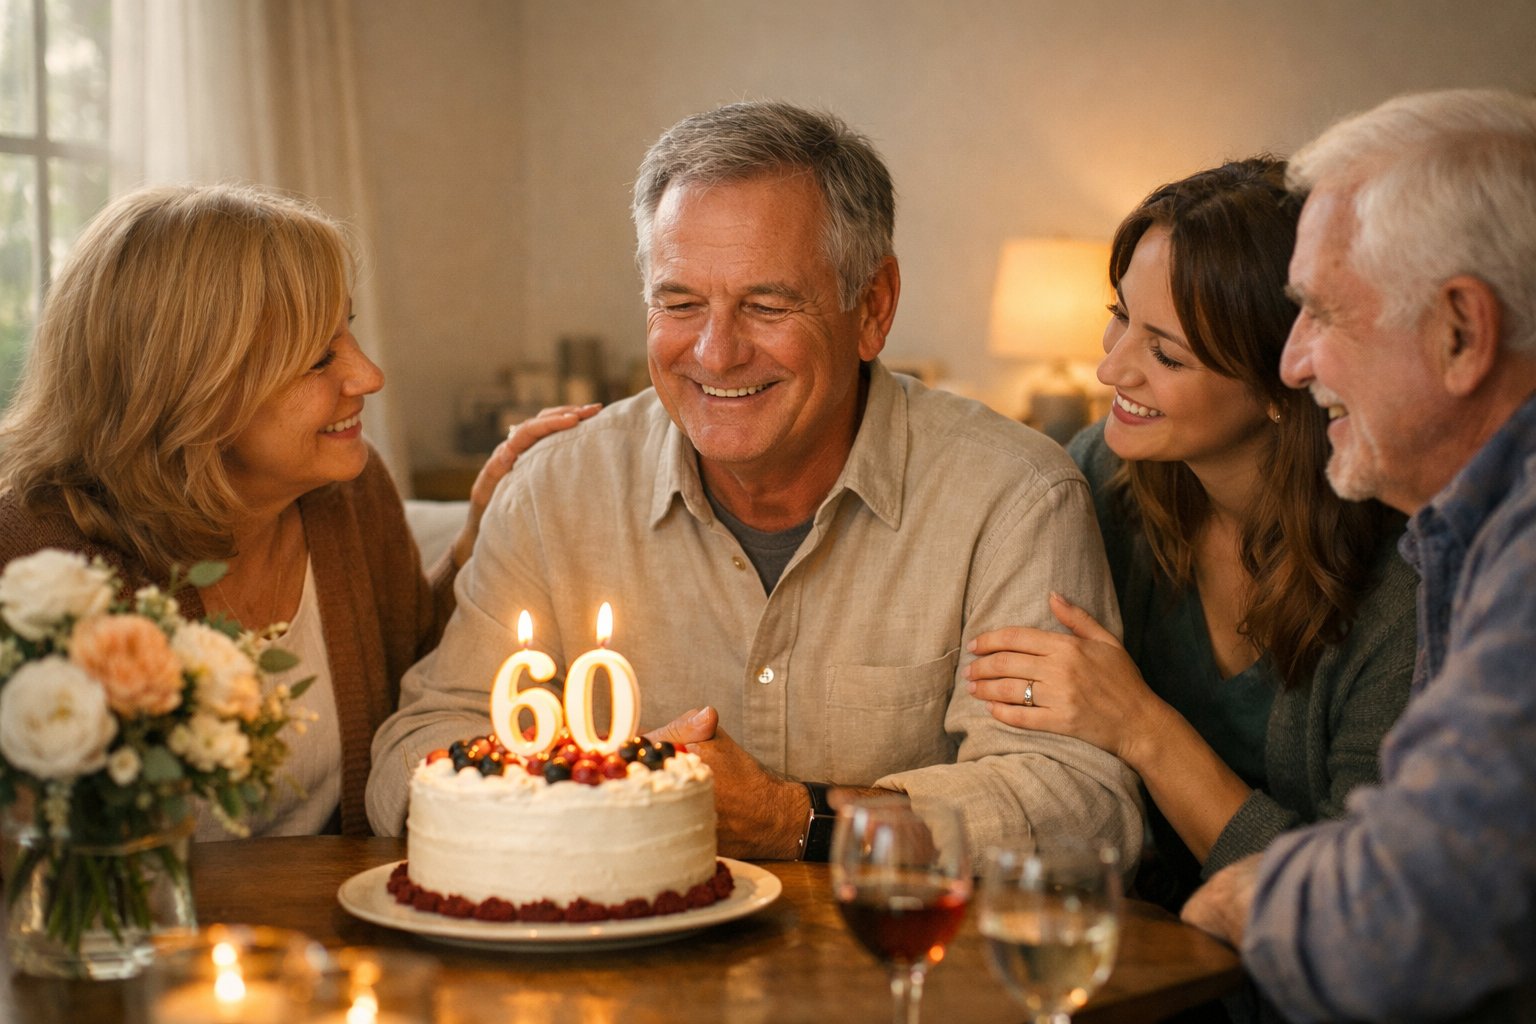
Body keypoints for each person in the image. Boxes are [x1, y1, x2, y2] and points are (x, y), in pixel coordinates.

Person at [366, 101, 1143, 863]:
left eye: (766, 304)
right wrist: (585, 794)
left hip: (901, 977)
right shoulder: (555, 490)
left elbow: (1077, 803)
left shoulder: (1011, 497)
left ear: (872, 307)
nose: (715, 352)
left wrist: (795, 819)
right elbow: (415, 748)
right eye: (679, 302)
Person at [0, 183, 595, 840]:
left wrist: (476, 537)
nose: (368, 375)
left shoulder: (350, 495)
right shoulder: (33, 564)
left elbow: (409, 680)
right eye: (319, 357)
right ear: (191, 385)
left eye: (349, 332)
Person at [965, 159, 1416, 914]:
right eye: (1120, 317)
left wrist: (1143, 728)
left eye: (1165, 354)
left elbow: (1355, 909)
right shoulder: (1100, 476)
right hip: (1127, 951)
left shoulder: (1403, 582)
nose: (1111, 368)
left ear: (1286, 382)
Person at [1180, 89, 1536, 1022]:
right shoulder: (1470, 525)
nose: (1293, 363)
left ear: (1461, 331)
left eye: (1322, 314)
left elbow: (1408, 918)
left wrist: (1259, 893)